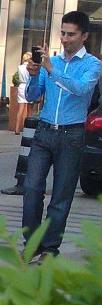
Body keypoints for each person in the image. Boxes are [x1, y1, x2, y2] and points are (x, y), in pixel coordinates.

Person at [22, 10, 101, 263]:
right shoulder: (50, 62)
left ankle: (50, 248)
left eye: (71, 34)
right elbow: (34, 95)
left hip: (72, 134)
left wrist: (50, 70)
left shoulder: (92, 64)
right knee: (32, 188)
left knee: (61, 195)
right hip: (45, 131)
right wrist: (35, 75)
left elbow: (80, 89)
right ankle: (32, 242)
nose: (65, 39)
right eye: (63, 33)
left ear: (84, 36)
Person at [11, 51, 33, 133]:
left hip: (21, 86)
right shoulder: (30, 67)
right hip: (29, 86)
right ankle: (28, 128)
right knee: (29, 109)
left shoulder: (20, 67)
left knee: (20, 109)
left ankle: (17, 128)